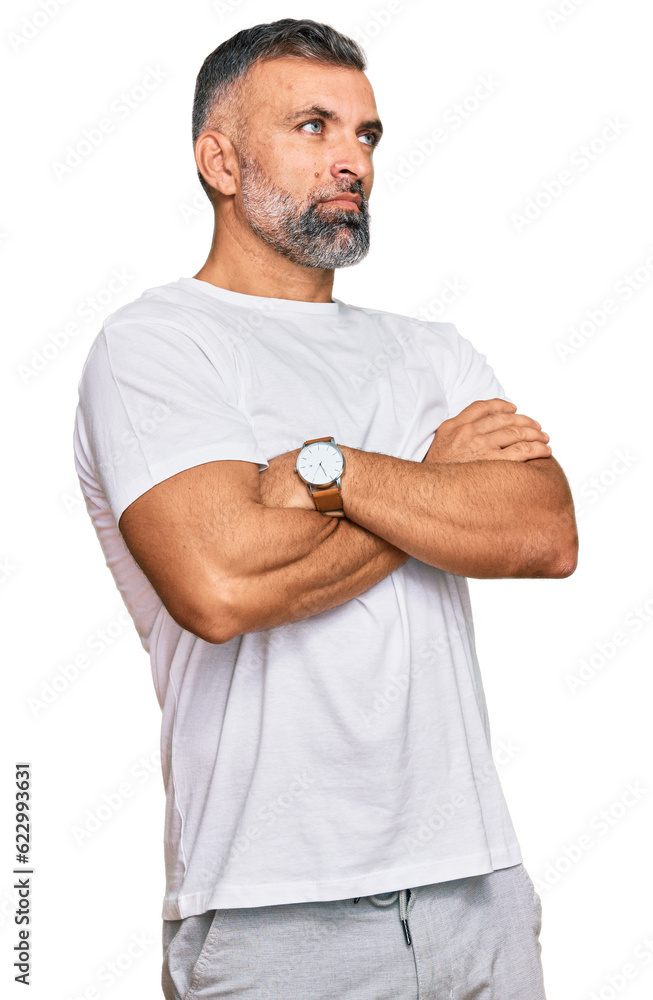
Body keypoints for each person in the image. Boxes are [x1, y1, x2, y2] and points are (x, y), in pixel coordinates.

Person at [73, 17, 578, 1000]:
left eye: (366, 134)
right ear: (218, 160)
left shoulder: (431, 350)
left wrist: (326, 470)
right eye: (312, 126)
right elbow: (220, 585)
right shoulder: (154, 346)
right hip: (274, 916)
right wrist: (431, 478)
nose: (351, 159)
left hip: (477, 895)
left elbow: (539, 533)